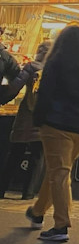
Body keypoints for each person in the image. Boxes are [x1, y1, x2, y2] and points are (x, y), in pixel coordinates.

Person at [25, 25, 79, 242]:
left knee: (59, 173)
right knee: (58, 171)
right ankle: (37, 211)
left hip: (57, 125)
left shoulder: (55, 63)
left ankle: (61, 225)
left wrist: (39, 121)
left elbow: (45, 95)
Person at [0, 41, 51, 200]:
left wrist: (3, 99)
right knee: (37, 156)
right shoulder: (56, 70)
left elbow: (15, 86)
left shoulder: (30, 67)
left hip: (26, 115)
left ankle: (2, 188)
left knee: (15, 153)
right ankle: (28, 193)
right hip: (44, 116)